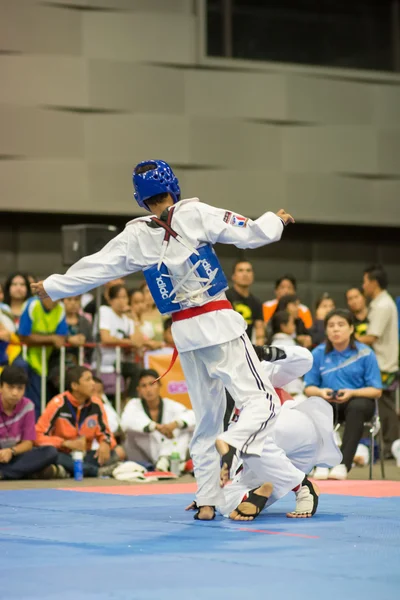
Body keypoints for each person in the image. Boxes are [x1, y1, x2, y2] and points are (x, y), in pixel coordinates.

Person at [32, 158, 295, 520]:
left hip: (184, 333)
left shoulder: (136, 234)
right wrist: (274, 221)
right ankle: (233, 442)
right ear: (173, 184)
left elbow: (96, 266)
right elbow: (250, 234)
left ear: (140, 199)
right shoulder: (195, 213)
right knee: (263, 400)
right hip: (217, 321)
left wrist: (53, 286)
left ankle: (206, 501)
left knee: (205, 420)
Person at [188, 345, 341, 520]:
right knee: (223, 504)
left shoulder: (252, 373)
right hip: (283, 462)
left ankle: (302, 485)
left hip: (294, 431)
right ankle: (254, 496)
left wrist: (265, 353)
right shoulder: (217, 410)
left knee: (247, 440)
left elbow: (305, 359)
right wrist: (207, 497)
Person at [304, 309, 382, 480]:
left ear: (351, 328)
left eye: (341, 325)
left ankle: (343, 464)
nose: (335, 330)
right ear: (326, 330)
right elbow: (308, 387)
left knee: (357, 406)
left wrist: (352, 392)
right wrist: (320, 392)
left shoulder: (365, 353)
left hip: (358, 402)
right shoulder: (318, 353)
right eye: (331, 326)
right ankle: (321, 464)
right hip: (330, 401)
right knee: (316, 406)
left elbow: (376, 390)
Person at [35, 366, 119, 478]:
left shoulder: (96, 404)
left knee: (113, 453)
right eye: (88, 380)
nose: (93, 383)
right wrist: (64, 443)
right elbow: (37, 436)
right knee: (51, 454)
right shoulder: (57, 404)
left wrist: (105, 443)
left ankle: (64, 472)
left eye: (92, 379)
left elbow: (106, 433)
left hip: (83, 455)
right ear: (75, 386)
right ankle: (95, 472)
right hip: (62, 453)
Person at [357, 265, 399, 457]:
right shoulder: (379, 303)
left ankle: (391, 446)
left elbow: (372, 337)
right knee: (382, 407)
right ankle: (387, 446)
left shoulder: (383, 305)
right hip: (380, 362)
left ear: (373, 283)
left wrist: (349, 339)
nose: (363, 286)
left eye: (365, 281)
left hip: (384, 364)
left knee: (386, 408)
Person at [121, 369, 195, 472]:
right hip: (143, 456)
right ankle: (171, 464)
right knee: (133, 433)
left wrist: (175, 424)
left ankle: (165, 460)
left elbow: (192, 416)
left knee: (183, 430)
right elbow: (126, 422)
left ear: (160, 385)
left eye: (152, 384)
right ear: (138, 390)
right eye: (144, 386)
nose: (148, 389)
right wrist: (155, 427)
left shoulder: (170, 405)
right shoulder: (134, 404)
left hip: (169, 449)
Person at [0, 366, 60, 480]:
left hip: (15, 454)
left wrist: (11, 451)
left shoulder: (28, 406)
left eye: (20, 388)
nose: (15, 393)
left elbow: (28, 444)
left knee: (50, 452)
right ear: (1, 387)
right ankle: (27, 472)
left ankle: (4, 473)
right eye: (10, 387)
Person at [18, 296, 68, 419]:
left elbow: (61, 337)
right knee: (29, 401)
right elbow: (23, 336)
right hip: (25, 358)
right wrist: (51, 338)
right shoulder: (32, 305)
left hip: (44, 362)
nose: (56, 300)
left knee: (40, 403)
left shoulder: (60, 308)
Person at [98, 283, 144, 398]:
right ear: (111, 300)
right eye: (118, 297)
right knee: (134, 370)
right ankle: (129, 400)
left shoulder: (127, 319)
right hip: (105, 360)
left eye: (124, 297)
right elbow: (106, 338)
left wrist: (134, 318)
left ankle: (130, 401)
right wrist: (128, 342)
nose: (121, 301)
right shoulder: (105, 311)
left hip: (120, 361)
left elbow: (138, 342)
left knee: (138, 370)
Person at [226, 260, 265, 344]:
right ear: (233, 276)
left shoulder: (256, 302)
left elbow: (260, 332)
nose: (245, 274)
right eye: (240, 270)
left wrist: (258, 353)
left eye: (248, 270)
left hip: (246, 349)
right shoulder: (224, 298)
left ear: (253, 276)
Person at [270, 311, 305, 398]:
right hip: (291, 391)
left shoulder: (271, 345)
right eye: (292, 323)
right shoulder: (288, 345)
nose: (294, 326)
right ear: (283, 326)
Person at [64, 296, 93, 366]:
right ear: (62, 301)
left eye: (76, 299)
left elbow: (91, 346)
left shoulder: (85, 322)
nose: (73, 303)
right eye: (69, 299)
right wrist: (68, 339)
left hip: (80, 363)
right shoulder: (57, 319)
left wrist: (84, 341)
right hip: (58, 363)